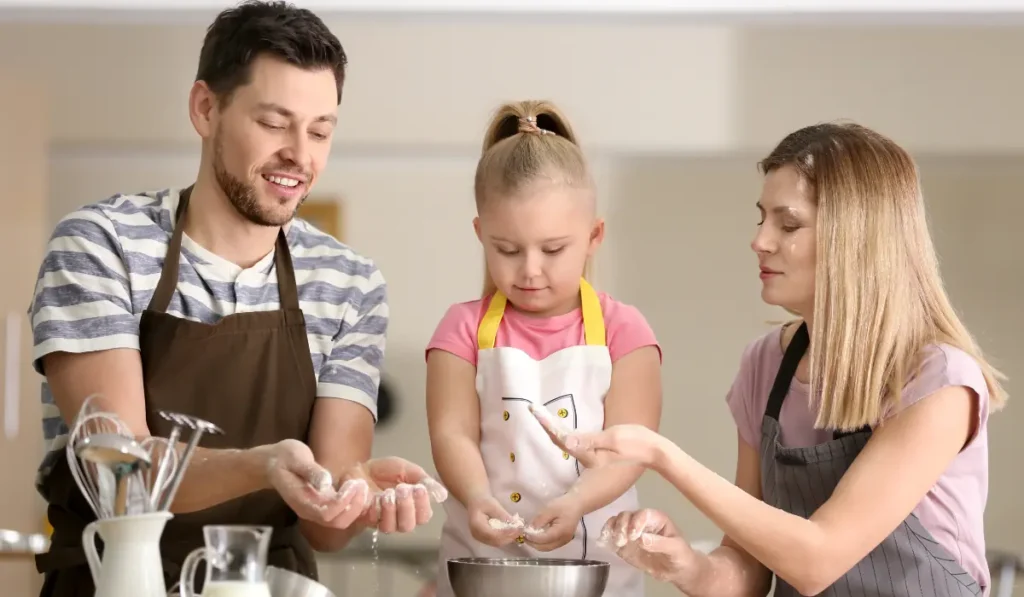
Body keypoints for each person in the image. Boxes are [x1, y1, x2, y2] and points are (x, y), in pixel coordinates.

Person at [29, 2, 438, 596]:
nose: (301, 154)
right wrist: (261, 464)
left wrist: (358, 494)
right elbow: (120, 479)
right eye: (275, 123)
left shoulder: (349, 285)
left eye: (321, 130)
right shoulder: (102, 245)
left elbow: (324, 530)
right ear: (205, 108)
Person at [541, 122, 1008, 597]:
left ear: (856, 238)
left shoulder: (937, 382)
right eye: (761, 218)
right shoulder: (765, 366)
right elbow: (748, 569)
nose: (760, 240)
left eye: (788, 224)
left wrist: (662, 455)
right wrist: (689, 567)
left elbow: (816, 558)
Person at [424, 100, 664, 597]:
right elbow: (453, 435)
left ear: (594, 236)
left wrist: (577, 501)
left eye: (553, 250)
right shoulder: (462, 328)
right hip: (482, 568)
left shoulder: (625, 330)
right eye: (506, 250)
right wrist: (474, 495)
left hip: (596, 572)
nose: (530, 269)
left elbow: (628, 454)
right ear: (480, 236)